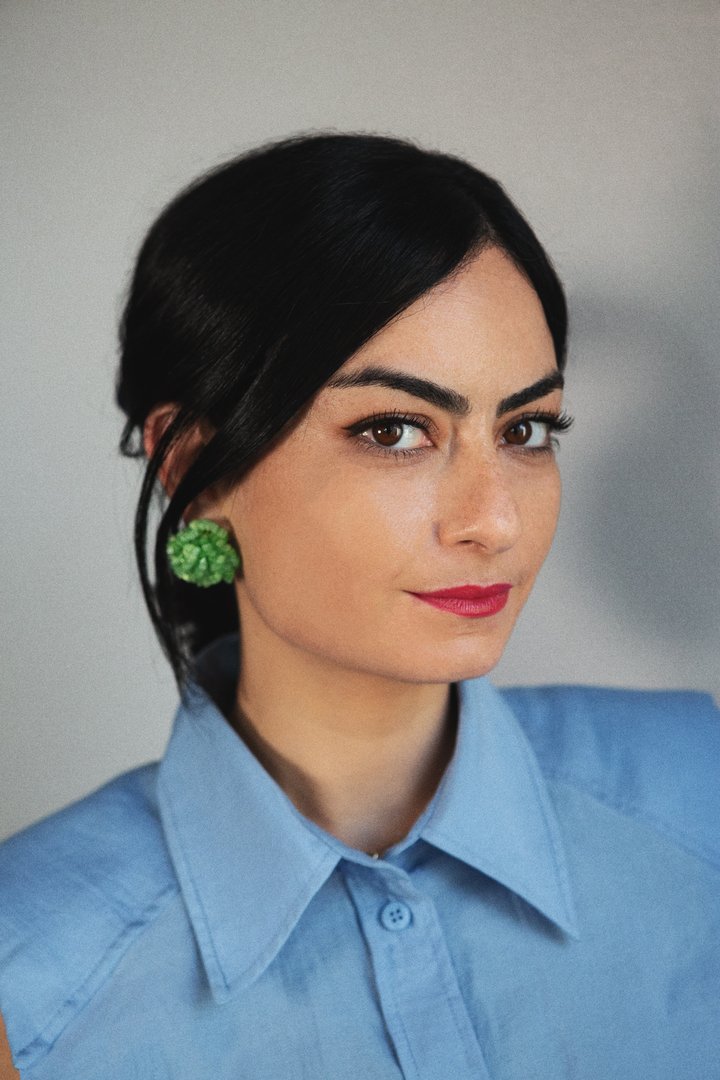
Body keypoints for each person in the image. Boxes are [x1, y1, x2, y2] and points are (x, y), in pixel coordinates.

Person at [0, 131, 718, 1080]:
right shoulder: (31, 966)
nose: (493, 518)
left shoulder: (696, 791)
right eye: (394, 430)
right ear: (189, 464)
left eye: (527, 428)